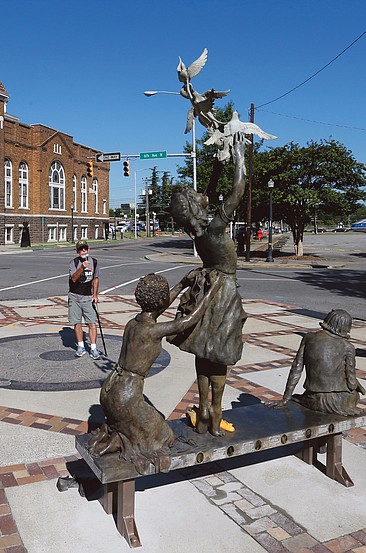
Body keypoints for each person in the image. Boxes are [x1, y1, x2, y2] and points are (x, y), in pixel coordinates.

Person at [89, 272, 216, 474]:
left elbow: (157, 307)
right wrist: (210, 292)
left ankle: (117, 440)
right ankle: (123, 446)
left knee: (131, 428)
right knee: (164, 435)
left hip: (110, 388)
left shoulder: (134, 323)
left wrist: (183, 283)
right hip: (126, 397)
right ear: (161, 300)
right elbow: (188, 321)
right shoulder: (153, 331)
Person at [168, 137, 248, 437]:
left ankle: (202, 409)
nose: (204, 195)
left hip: (207, 286)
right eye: (196, 194)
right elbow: (238, 189)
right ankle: (215, 412)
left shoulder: (200, 233)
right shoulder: (214, 228)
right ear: (194, 206)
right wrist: (239, 155)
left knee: (204, 353)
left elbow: (209, 192)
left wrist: (218, 160)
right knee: (220, 355)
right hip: (223, 291)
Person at [264, 309, 366, 417]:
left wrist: (286, 398)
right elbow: (351, 383)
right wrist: (358, 385)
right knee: (355, 395)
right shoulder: (348, 347)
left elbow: (296, 369)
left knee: (299, 398)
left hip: (313, 398)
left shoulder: (309, 337)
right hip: (337, 402)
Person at [69, 240, 101, 360]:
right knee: (77, 322)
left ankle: (93, 348)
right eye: (81, 249)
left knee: (92, 323)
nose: (83, 251)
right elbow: (73, 279)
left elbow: (95, 278)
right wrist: (82, 267)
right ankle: (81, 346)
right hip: (74, 296)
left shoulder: (94, 262)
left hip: (88, 297)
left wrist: (95, 294)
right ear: (77, 251)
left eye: (85, 248)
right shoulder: (74, 263)